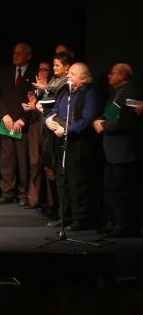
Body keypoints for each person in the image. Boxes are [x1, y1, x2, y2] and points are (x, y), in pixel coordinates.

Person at [43, 62, 98, 231]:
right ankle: (63, 216)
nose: (68, 76)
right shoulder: (65, 92)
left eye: (72, 74)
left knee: (76, 182)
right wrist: (49, 119)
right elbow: (54, 109)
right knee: (62, 180)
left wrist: (67, 130)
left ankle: (79, 219)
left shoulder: (89, 93)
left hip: (78, 144)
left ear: (83, 78)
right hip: (61, 143)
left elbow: (87, 119)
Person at [92, 63, 142, 237]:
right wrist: (97, 120)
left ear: (122, 75)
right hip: (111, 150)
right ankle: (112, 222)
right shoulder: (116, 93)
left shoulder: (131, 94)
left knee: (122, 190)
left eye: (112, 73)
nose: (109, 76)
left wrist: (103, 126)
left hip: (123, 150)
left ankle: (123, 225)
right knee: (110, 189)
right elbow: (109, 115)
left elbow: (127, 121)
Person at [0, 42, 39, 205]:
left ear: (28, 56)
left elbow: (37, 100)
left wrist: (23, 119)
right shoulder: (5, 70)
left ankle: (22, 194)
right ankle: (7, 192)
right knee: (6, 160)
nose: (16, 56)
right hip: (7, 123)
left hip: (23, 125)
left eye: (20, 53)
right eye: (14, 52)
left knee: (23, 161)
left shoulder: (35, 73)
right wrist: (4, 115)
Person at [34, 52, 72, 222]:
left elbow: (56, 106)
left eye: (57, 65)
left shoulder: (66, 85)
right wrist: (41, 96)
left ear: (67, 67)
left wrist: (45, 93)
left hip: (58, 130)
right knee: (48, 168)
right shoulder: (53, 82)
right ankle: (55, 206)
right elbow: (45, 102)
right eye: (54, 65)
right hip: (48, 129)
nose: (54, 68)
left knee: (58, 171)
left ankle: (62, 211)